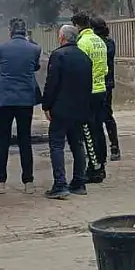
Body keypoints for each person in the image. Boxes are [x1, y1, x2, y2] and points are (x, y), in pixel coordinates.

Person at [0, 18, 41, 194]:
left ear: (10, 30)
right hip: (25, 99)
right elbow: (36, 67)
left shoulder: (2, 48)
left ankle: (1, 182)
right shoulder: (34, 48)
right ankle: (28, 182)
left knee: (3, 139)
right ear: (25, 31)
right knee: (25, 139)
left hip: (4, 99)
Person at [41, 25, 92, 199]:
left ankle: (60, 184)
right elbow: (88, 85)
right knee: (77, 144)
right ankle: (79, 182)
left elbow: (52, 83)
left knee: (56, 145)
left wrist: (46, 105)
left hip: (61, 109)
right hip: (80, 108)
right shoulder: (84, 57)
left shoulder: (58, 56)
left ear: (62, 37)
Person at [72, 12, 109, 183]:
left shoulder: (82, 43)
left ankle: (93, 169)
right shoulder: (99, 41)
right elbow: (105, 68)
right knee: (99, 129)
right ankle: (101, 165)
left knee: (87, 131)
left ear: (77, 26)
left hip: (88, 92)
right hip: (101, 89)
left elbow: (80, 69)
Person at [92, 17, 122, 161]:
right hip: (106, 83)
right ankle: (111, 146)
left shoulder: (106, 43)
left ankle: (113, 146)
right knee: (105, 116)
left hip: (103, 83)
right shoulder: (109, 42)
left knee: (104, 116)